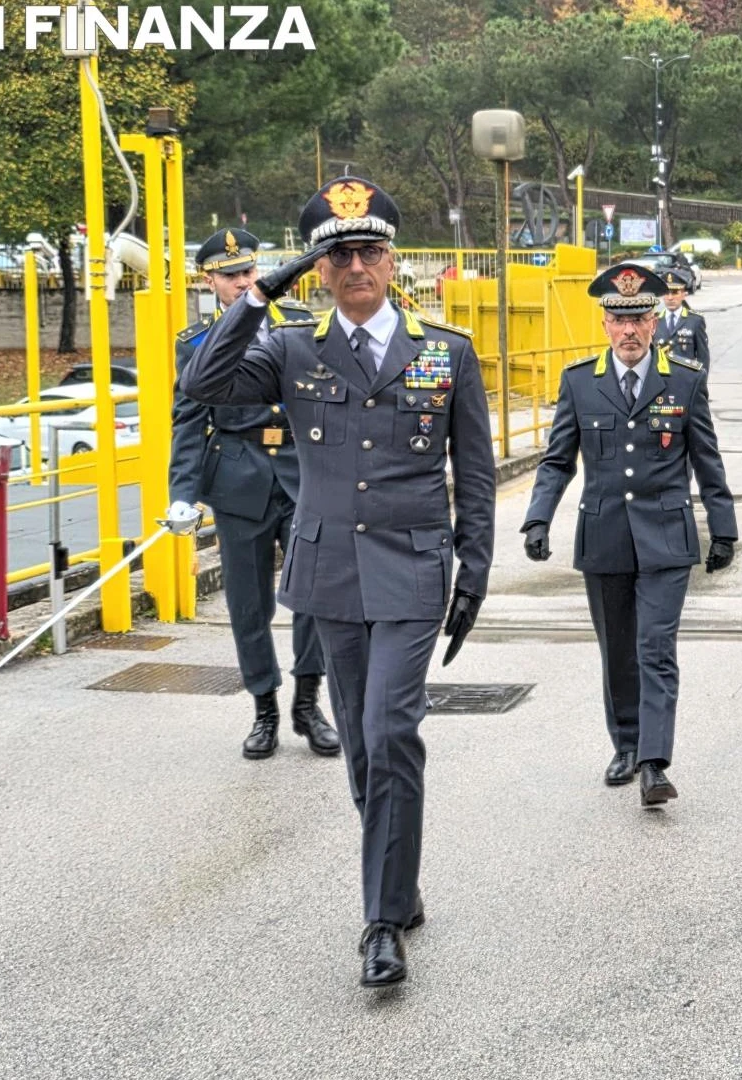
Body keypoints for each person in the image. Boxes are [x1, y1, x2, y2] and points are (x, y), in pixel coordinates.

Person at [181, 177, 498, 990]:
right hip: (329, 572)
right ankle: (400, 880)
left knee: (391, 731)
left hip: (413, 569)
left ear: (392, 261)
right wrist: (260, 294)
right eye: (339, 254)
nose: (356, 265)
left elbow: (477, 474)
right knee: (361, 747)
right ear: (320, 269)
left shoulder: (446, 351)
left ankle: (380, 924)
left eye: (369, 251)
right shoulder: (290, 346)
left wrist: (476, 571)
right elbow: (204, 387)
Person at [521, 263, 738, 807]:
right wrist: (538, 517)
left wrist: (724, 530)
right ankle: (625, 742)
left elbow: (707, 460)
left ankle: (653, 763)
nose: (630, 331)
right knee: (617, 649)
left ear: (654, 321)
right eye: (620, 321)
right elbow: (555, 462)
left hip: (666, 536)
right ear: (604, 323)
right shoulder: (578, 382)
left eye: (640, 318)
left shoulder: (684, 380)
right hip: (605, 536)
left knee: (654, 647)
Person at [167, 228, 337, 761]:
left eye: (248, 272)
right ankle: (264, 707)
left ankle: (309, 702)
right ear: (209, 280)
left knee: (315, 593)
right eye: (230, 275)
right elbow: (189, 419)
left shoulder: (305, 327)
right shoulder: (196, 343)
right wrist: (182, 493)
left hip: (303, 470)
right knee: (248, 604)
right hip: (239, 477)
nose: (243, 282)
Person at [651, 269, 711, 369]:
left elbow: (703, 357)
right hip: (660, 379)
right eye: (667, 293)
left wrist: (701, 382)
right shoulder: (654, 320)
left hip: (686, 380)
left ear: (684, 294)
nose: (670, 298)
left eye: (675, 293)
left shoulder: (695, 321)